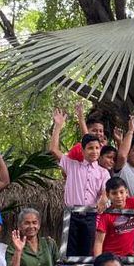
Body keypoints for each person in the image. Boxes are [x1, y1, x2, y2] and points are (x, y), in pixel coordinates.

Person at [49, 110, 109, 256]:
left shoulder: (103, 172)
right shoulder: (72, 165)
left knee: (87, 253)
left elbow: (106, 190)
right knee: (69, 252)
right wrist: (58, 126)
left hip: (91, 215)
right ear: (82, 150)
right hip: (72, 214)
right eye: (90, 148)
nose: (94, 151)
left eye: (97, 148)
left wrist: (104, 197)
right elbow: (53, 150)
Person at [93, 177, 134, 257]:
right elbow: (99, 241)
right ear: (108, 195)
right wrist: (98, 261)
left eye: (121, 192)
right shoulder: (106, 215)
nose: (118, 196)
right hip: (110, 257)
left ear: (126, 192)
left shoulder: (133, 203)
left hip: (129, 255)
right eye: (114, 193)